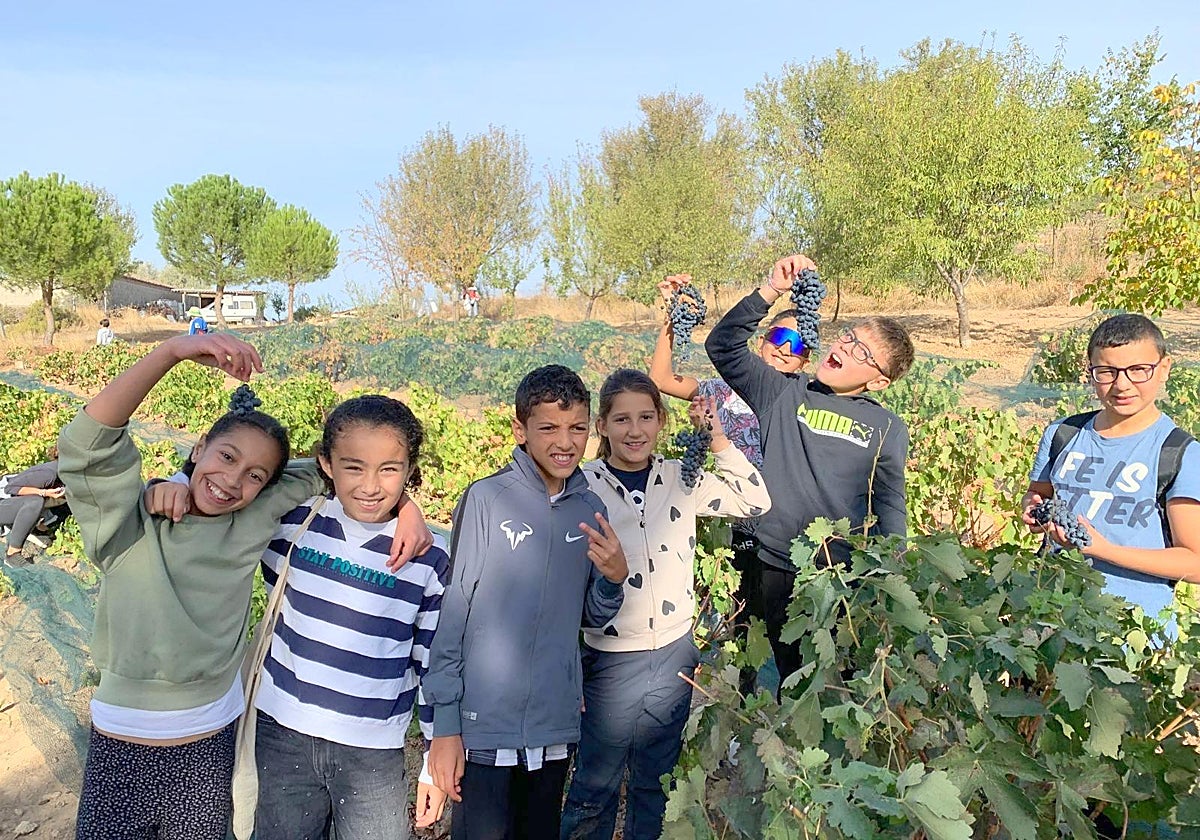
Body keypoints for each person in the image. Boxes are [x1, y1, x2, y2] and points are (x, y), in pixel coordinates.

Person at [61, 333, 430, 840]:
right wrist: (171, 353)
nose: (233, 481)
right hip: (121, 742)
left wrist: (405, 504)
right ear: (199, 448)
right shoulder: (129, 526)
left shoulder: (253, 523)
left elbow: (341, 471)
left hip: (212, 743)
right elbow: (87, 444)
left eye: (256, 475)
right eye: (226, 458)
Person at [559, 369, 772, 840]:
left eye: (645, 417)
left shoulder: (683, 477)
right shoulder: (582, 486)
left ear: (661, 422)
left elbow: (756, 500)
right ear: (603, 427)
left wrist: (716, 437)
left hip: (674, 653)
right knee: (595, 784)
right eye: (622, 419)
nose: (634, 430)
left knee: (656, 783)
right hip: (609, 659)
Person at [425, 364, 629, 840]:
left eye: (577, 428)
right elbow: (455, 614)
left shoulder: (588, 510)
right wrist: (446, 725)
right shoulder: (487, 499)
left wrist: (613, 580)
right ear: (520, 430)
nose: (566, 441)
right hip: (483, 730)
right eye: (549, 428)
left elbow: (588, 617)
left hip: (554, 728)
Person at [704, 254, 914, 686]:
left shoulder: (887, 428)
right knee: (771, 682)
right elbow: (721, 346)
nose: (843, 347)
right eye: (847, 337)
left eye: (862, 351)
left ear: (878, 382)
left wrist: (890, 582)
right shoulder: (782, 394)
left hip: (842, 582)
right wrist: (771, 289)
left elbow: (890, 508)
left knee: (831, 691)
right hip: (775, 569)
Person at [251, 395, 450, 839]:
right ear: (325, 463)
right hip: (282, 734)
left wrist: (434, 761)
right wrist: (179, 475)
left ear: (409, 468)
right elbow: (243, 482)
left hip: (372, 750)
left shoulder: (429, 557)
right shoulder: (290, 526)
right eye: (353, 467)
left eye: (389, 469)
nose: (370, 486)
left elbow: (433, 663)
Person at [650, 273, 809, 692]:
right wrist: (673, 318)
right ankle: (736, 705)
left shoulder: (797, 398)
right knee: (738, 623)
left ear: (804, 361)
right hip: (730, 521)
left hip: (775, 527)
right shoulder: (718, 390)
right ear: (761, 338)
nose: (781, 348)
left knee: (776, 627)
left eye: (795, 345)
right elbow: (662, 380)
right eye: (777, 335)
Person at [1023, 313, 1200, 624]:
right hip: (1053, 614)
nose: (1122, 384)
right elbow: (1038, 494)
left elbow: (1195, 563)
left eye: (1138, 370)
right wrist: (1035, 511)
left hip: (1132, 631)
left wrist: (1101, 550)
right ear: (1090, 373)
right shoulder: (1063, 434)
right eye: (1106, 371)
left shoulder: (1179, 453)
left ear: (1164, 369)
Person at [0, 458, 67, 565]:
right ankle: (12, 554)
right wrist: (44, 492)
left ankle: (19, 532)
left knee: (45, 541)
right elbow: (10, 488)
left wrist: (41, 525)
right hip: (4, 502)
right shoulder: (50, 474)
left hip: (17, 510)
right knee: (35, 501)